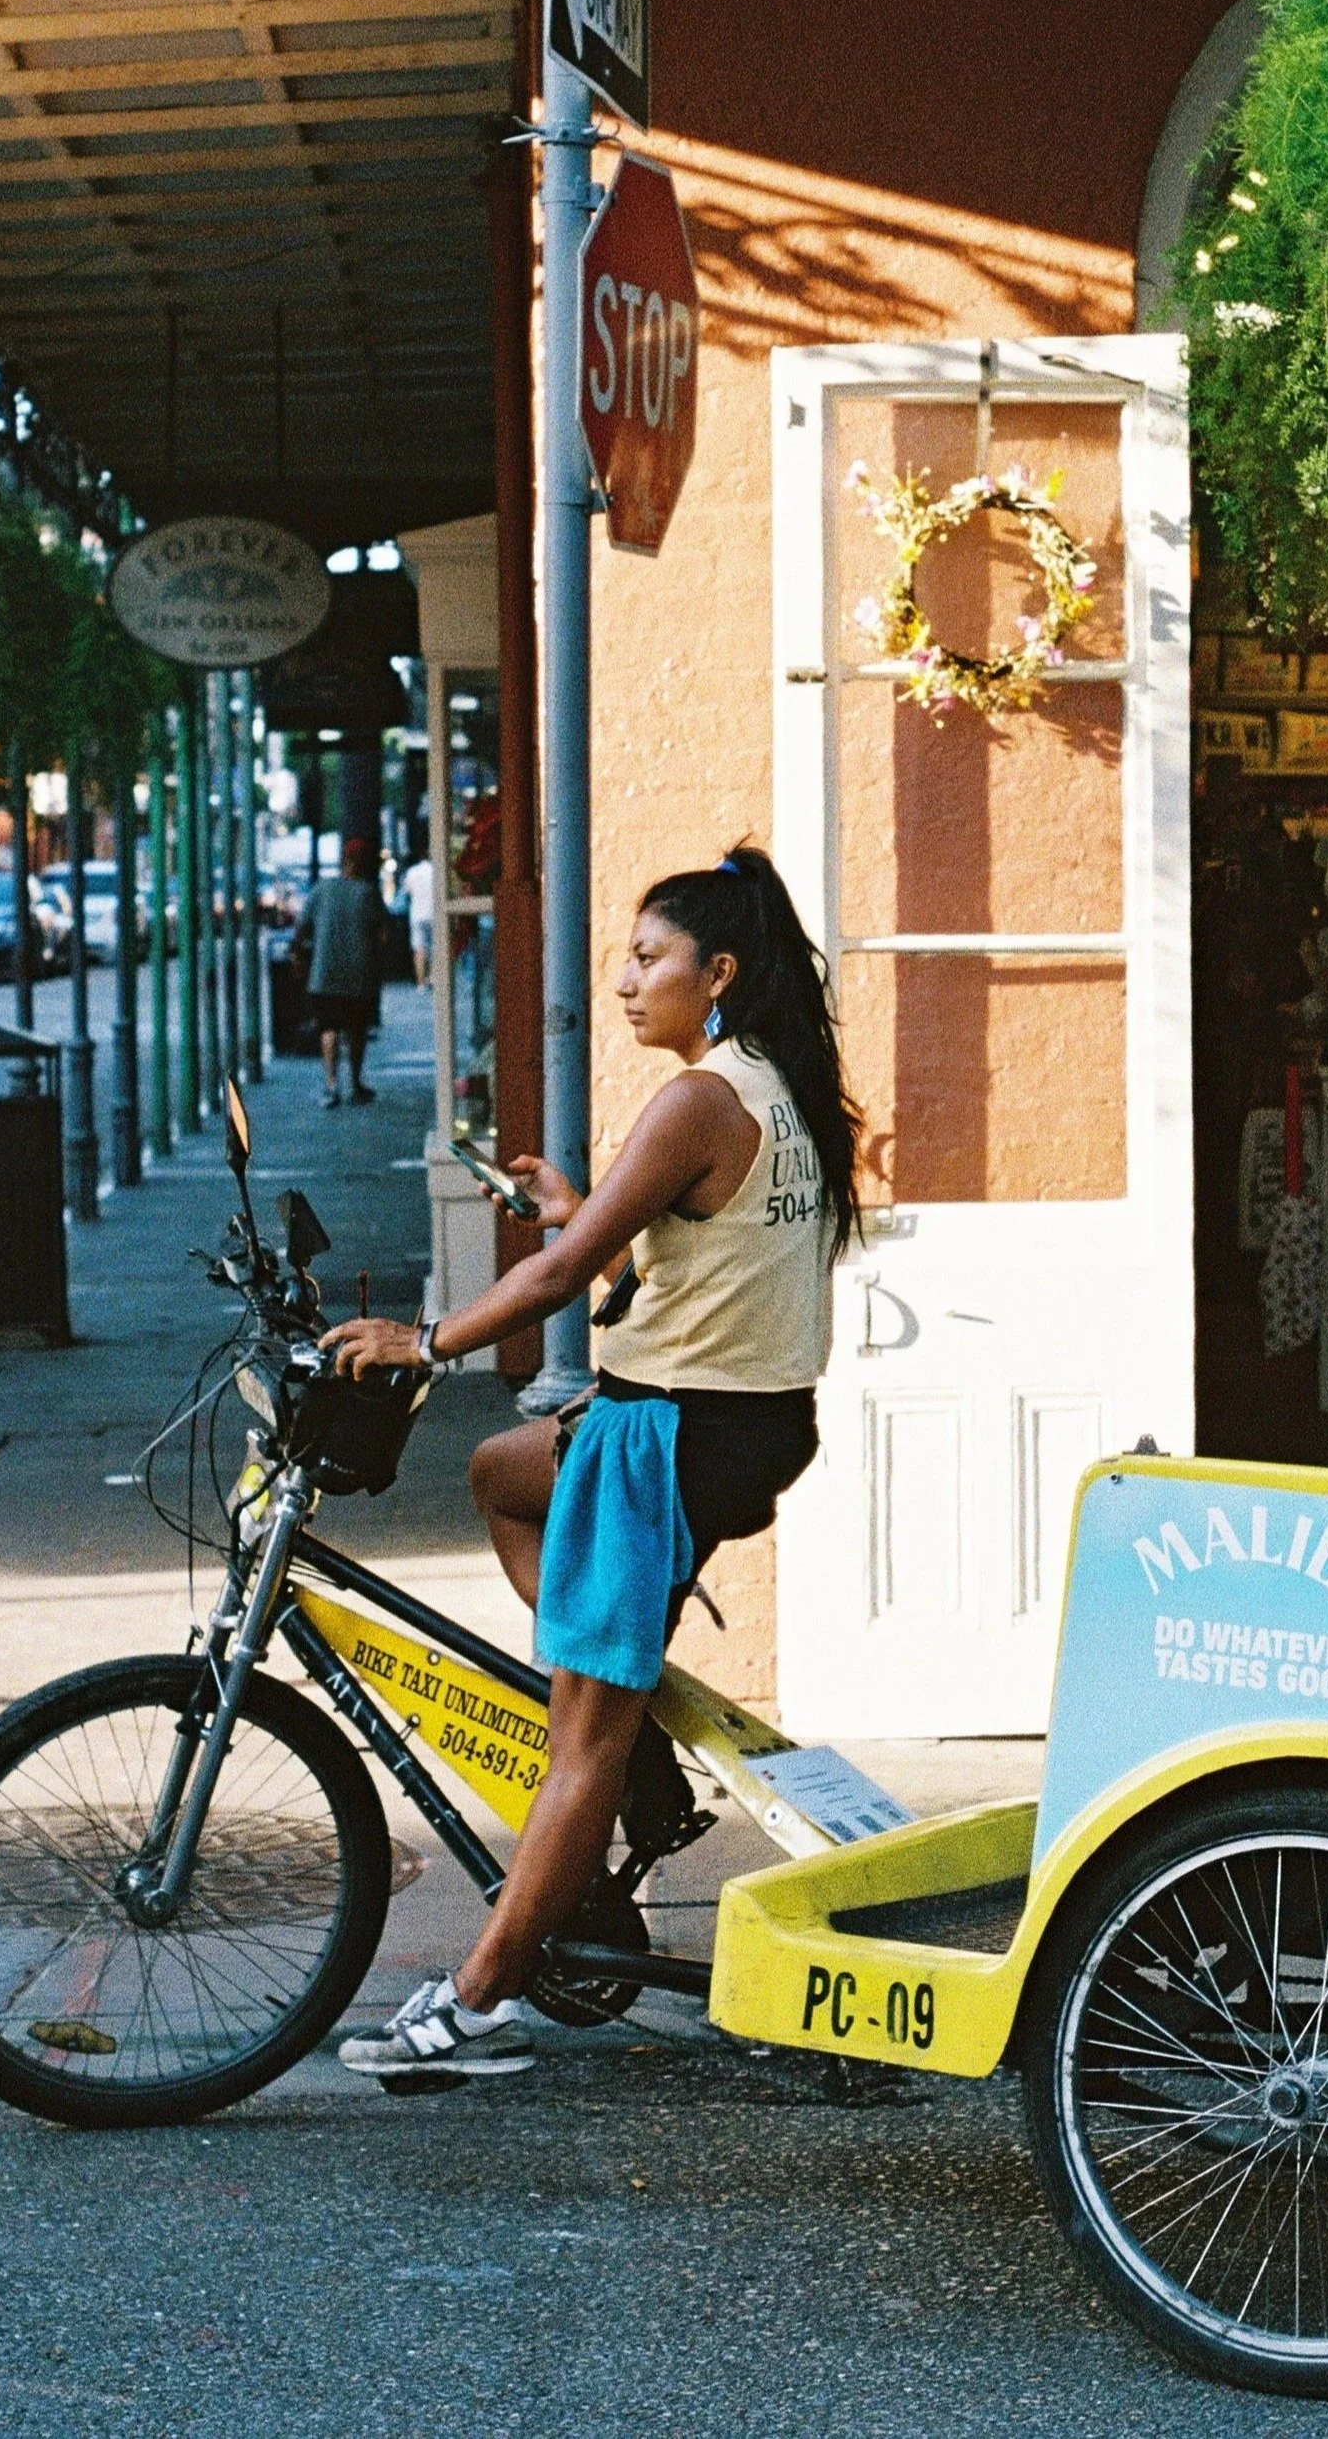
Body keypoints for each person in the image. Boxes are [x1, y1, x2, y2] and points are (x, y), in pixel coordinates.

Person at [324, 843, 860, 2082]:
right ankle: (618, 1713)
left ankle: (479, 1999)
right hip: (733, 1423)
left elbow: (563, 1283)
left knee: (580, 1738)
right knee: (505, 1475)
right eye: (625, 958)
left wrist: (426, 1344)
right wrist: (580, 1203)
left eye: (648, 959)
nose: (623, 982)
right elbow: (689, 1247)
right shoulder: (770, 1085)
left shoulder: (699, 1097)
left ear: (717, 972)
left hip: (669, 1436)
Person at [300, 834, 385, 1107]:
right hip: (358, 975)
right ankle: (356, 1085)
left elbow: (302, 926)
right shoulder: (368, 892)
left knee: (329, 1028)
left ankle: (331, 1085)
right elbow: (383, 935)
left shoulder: (322, 889)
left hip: (324, 974)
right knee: (356, 1030)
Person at [401, 844, 434, 988]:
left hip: (417, 914)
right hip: (434, 912)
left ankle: (421, 982)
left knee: (419, 949)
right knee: (435, 947)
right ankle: (433, 978)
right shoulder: (436, 871)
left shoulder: (412, 872)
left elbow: (406, 891)